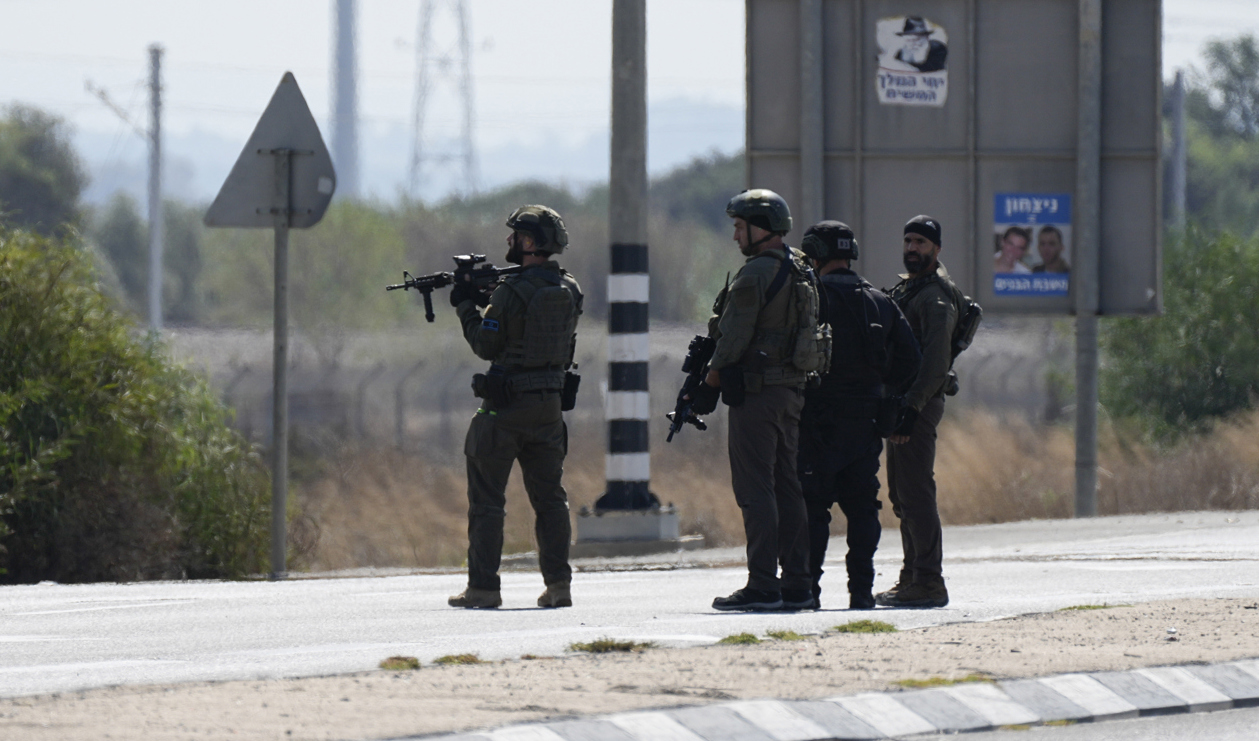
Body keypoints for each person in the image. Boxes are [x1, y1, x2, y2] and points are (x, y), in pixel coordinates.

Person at [446, 205, 583, 610]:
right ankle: (558, 585)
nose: (509, 241)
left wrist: (466, 305)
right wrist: (491, 298)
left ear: (530, 242)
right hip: (549, 408)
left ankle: (483, 588)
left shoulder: (510, 291)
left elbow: (486, 344)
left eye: (516, 235)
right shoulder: (570, 287)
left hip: (505, 409)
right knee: (551, 500)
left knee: (487, 501)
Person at [689, 189, 817, 612]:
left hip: (759, 393)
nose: (735, 236)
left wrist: (709, 383)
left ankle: (762, 584)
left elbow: (733, 337)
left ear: (762, 228)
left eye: (740, 227)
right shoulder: (799, 268)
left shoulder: (757, 273)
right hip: (791, 390)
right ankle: (797, 583)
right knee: (787, 486)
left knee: (756, 488)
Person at [797, 221, 920, 610]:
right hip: (865, 422)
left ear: (816, 253)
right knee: (863, 508)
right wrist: (886, 397)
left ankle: (808, 590)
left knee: (813, 509)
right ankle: (862, 592)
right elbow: (911, 360)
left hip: (817, 421)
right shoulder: (879, 302)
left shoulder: (811, 300)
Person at [879, 215, 962, 609]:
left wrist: (912, 408)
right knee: (901, 493)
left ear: (936, 249)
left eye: (921, 243)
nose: (912, 248)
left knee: (915, 493)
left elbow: (935, 362)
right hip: (903, 401)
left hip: (919, 402)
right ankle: (912, 576)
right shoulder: (912, 289)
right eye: (909, 241)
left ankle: (928, 581)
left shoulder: (935, 298)